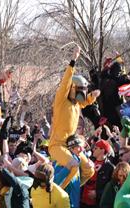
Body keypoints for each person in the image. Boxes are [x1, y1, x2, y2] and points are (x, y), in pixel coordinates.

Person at [48, 45, 97, 189]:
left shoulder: (77, 105)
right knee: (74, 165)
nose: (81, 93)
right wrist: (73, 60)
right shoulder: (61, 101)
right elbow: (65, 82)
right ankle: (54, 191)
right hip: (57, 146)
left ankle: (73, 187)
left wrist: (92, 97)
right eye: (79, 89)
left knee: (89, 168)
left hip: (72, 146)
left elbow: (84, 102)